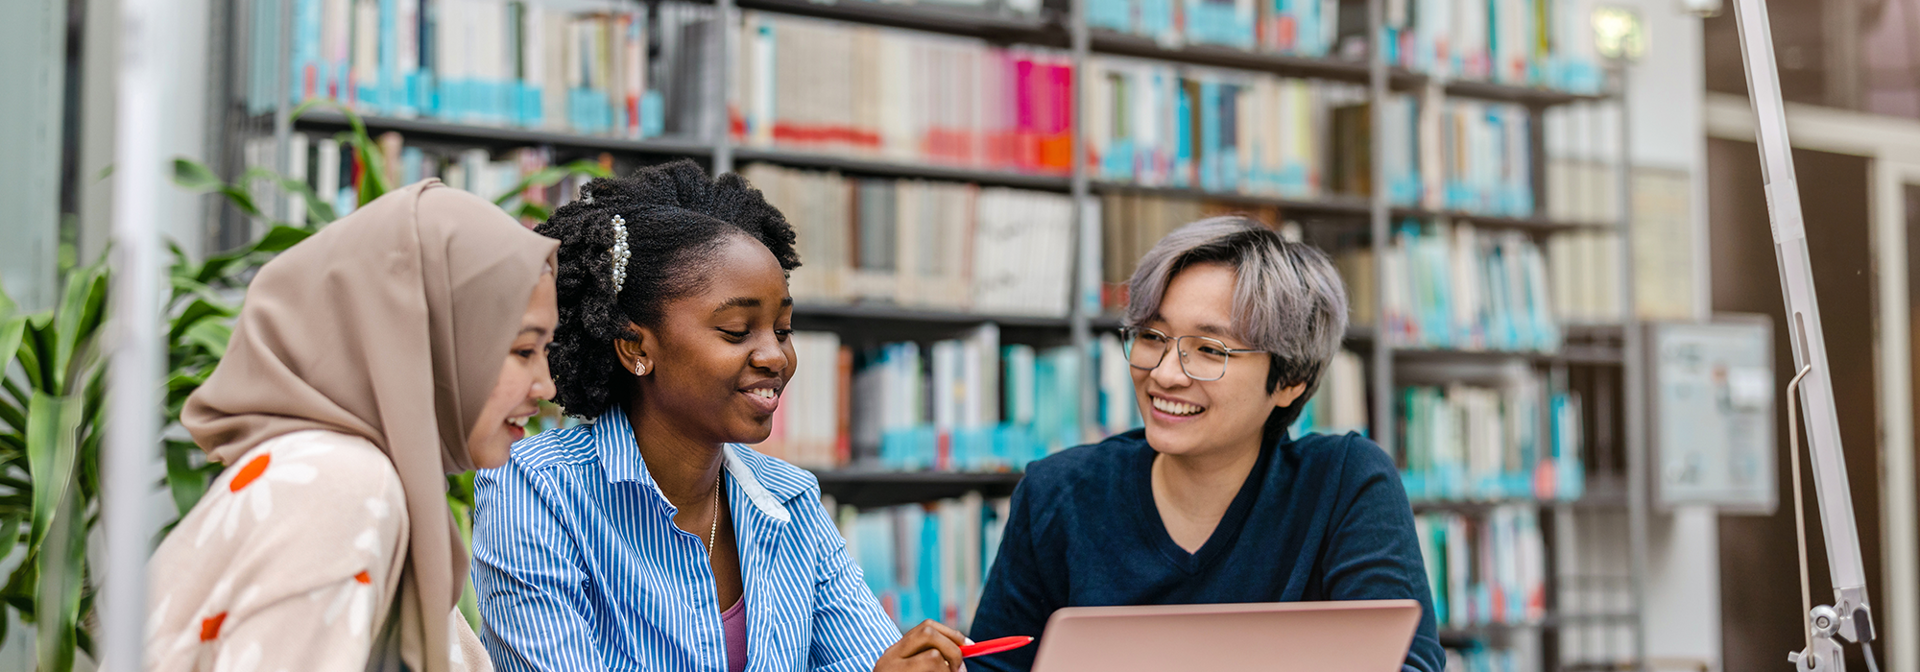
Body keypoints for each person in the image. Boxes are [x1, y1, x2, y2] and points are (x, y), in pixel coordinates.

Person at [471, 159, 967, 672]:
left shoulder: (790, 502)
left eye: (782, 329)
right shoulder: (534, 492)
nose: (775, 356)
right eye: (736, 331)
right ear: (634, 346)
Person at [965, 217, 1446, 672]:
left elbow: (1406, 661)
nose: (1165, 374)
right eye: (1153, 336)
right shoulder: (1057, 493)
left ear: (1291, 380)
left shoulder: (1345, 482)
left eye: (1210, 350)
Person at [145, 180, 561, 672]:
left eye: (545, 351)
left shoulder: (337, 475)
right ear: (423, 341)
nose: (545, 386)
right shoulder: (340, 486)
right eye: (522, 351)